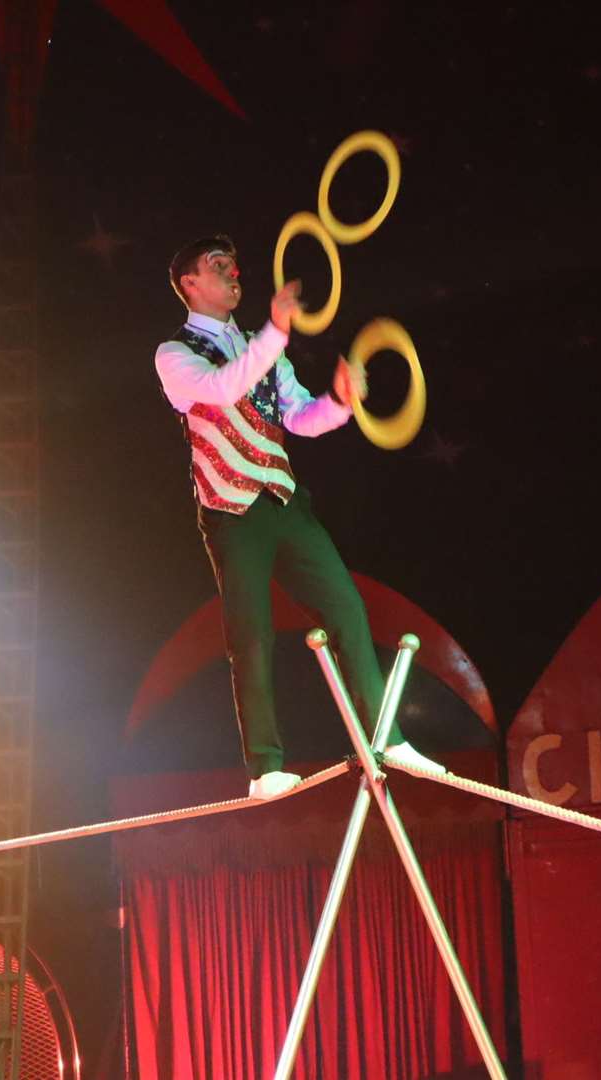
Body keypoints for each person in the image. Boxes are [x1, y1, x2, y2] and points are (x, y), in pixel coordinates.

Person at [155, 234, 444, 799]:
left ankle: (387, 738)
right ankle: (265, 767)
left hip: (285, 502)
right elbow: (222, 387)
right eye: (218, 266)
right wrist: (275, 331)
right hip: (232, 511)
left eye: (235, 265)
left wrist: (339, 401)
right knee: (252, 634)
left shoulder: (265, 348)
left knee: (346, 606)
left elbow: (301, 419)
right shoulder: (175, 353)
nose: (234, 272)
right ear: (190, 283)